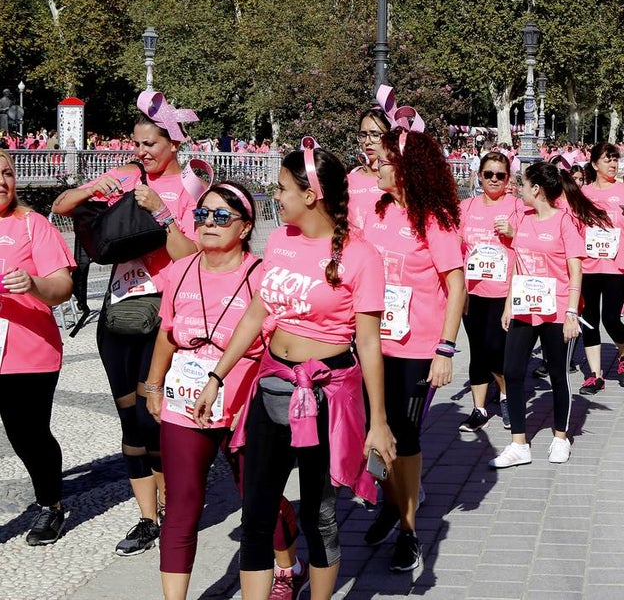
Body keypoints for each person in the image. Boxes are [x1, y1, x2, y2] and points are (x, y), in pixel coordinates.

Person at [193, 145, 395, 600]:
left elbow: (368, 343)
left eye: (282, 188)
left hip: (327, 395)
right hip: (271, 385)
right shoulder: (280, 239)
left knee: (318, 515)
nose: (275, 196)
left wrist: (378, 422)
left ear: (311, 195)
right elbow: (255, 313)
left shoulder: (361, 256)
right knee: (257, 513)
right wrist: (217, 376)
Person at [52, 91, 200, 555]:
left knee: (153, 419)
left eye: (150, 144)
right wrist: (101, 187)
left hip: (162, 313)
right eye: (136, 143)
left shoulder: (191, 188)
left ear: (173, 143)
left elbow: (190, 256)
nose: (141, 152)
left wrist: (158, 208)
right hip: (118, 312)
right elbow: (61, 206)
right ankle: (146, 518)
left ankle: (175, 509)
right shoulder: (126, 174)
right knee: (129, 423)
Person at [143, 183, 303, 600]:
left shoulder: (263, 275)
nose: (208, 224)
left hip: (246, 408)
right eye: (201, 215)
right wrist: (154, 386)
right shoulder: (178, 271)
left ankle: (288, 566)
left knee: (256, 499)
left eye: (220, 216)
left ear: (246, 225)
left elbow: (280, 345)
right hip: (184, 405)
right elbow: (167, 335)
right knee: (181, 506)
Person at [360, 130, 465, 572]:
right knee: (376, 430)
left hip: (418, 347)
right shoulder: (377, 210)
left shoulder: (435, 219)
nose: (376, 166)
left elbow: (456, 287)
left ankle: (409, 530)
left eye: (384, 161)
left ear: (405, 168)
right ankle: (390, 501)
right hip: (371, 343)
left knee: (405, 437)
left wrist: (445, 349)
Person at [490, 162, 609, 468]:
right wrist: (508, 303)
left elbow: (575, 269)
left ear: (536, 190)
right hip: (523, 306)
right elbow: (518, 261)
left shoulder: (564, 222)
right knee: (513, 371)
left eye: (523, 183)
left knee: (558, 374)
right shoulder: (524, 217)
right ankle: (519, 444)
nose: (519, 188)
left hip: (557, 309)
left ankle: (560, 437)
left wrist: (571, 312)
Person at [0, 150, 75, 546]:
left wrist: (32, 284)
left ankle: (51, 506)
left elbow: (62, 287)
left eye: (7, 172)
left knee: (27, 434)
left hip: (29, 352)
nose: (2, 180)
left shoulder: (34, 225)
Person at [458, 151, 519, 432]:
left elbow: (529, 246)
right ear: (480, 175)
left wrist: (512, 233)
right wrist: (459, 291)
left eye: (500, 175)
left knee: (496, 350)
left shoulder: (517, 207)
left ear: (508, 179)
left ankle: (507, 395)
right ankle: (479, 409)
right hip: (473, 291)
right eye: (489, 174)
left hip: (503, 292)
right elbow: (458, 250)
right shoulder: (466, 208)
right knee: (477, 351)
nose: (494, 180)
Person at [578, 142, 624, 395]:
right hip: (588, 264)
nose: (613, 164)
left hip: (617, 264)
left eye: (615, 159)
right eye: (607, 160)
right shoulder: (582, 194)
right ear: (594, 164)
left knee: (611, 318)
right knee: (589, 319)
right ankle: (595, 375)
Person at [347, 106, 391, 232]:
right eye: (363, 135)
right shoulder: (349, 180)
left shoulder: (398, 179)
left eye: (375, 135)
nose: (367, 141)